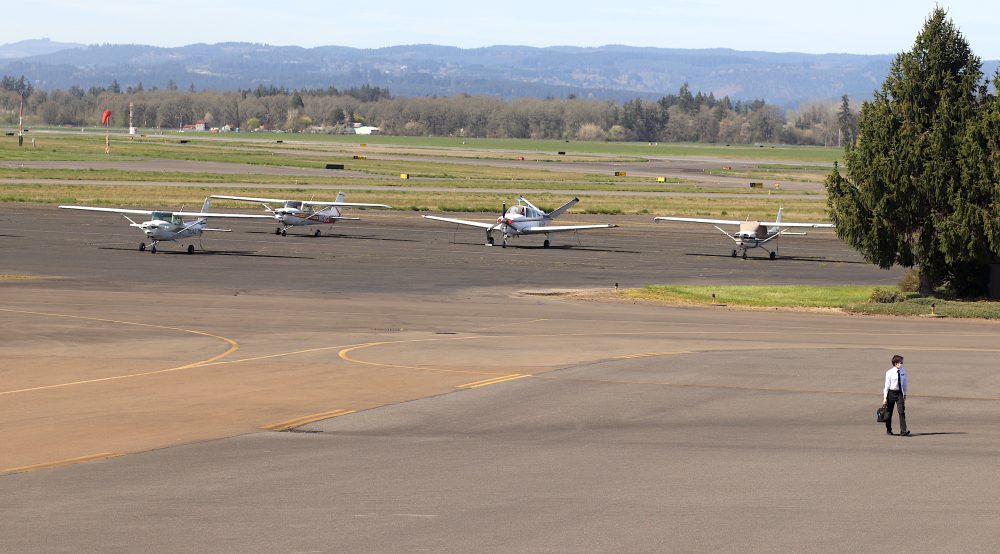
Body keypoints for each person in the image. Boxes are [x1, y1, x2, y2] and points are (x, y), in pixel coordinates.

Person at [882, 354, 910, 436]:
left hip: (899, 393)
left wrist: (905, 393)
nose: (901, 364)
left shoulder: (903, 371)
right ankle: (889, 429)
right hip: (891, 393)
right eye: (899, 362)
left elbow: (905, 383)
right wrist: (885, 398)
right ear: (895, 363)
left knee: (901, 411)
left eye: (901, 363)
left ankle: (903, 430)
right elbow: (886, 385)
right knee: (889, 412)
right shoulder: (889, 372)